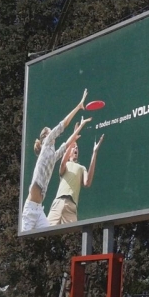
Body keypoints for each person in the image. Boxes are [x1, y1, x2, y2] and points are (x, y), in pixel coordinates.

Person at [21, 89, 91, 232]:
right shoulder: (47, 144)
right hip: (30, 209)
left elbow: (66, 144)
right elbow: (63, 124)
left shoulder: (52, 155)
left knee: (49, 234)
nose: (52, 130)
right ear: (46, 136)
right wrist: (79, 106)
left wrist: (80, 128)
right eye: (49, 130)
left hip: (39, 210)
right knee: (23, 240)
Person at [47, 134, 104, 225]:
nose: (76, 149)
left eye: (77, 147)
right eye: (74, 147)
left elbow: (87, 183)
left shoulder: (81, 168)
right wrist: (72, 141)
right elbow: (62, 163)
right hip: (58, 202)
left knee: (73, 233)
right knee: (45, 229)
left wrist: (95, 152)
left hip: (71, 205)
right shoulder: (66, 165)